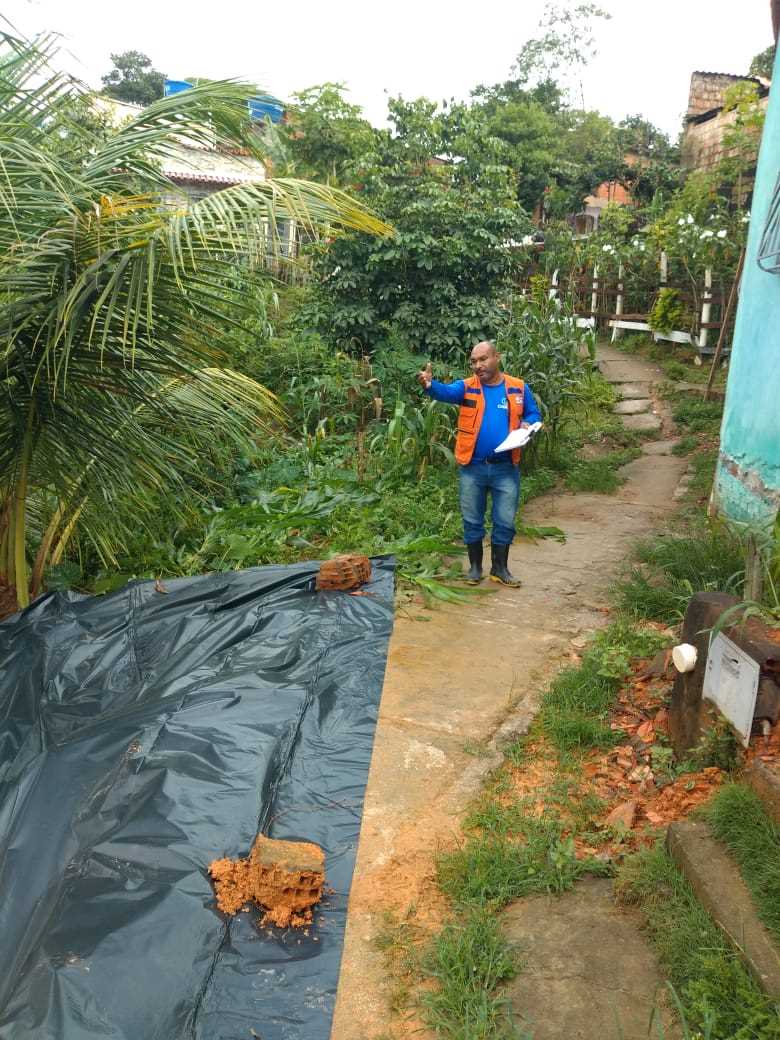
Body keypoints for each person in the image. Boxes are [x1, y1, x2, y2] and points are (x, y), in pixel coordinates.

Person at [417, 340, 542, 587]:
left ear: (497, 357)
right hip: (472, 468)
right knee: (472, 519)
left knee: (505, 520)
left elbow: (533, 412)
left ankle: (500, 568)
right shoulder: (467, 387)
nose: (477, 365)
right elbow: (446, 392)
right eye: (473, 361)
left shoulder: (518, 387)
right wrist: (430, 385)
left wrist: (528, 422)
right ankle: (475, 568)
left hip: (506, 468)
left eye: (483, 359)